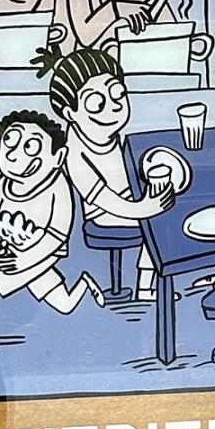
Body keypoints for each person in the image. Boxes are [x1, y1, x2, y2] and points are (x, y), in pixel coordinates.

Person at [0, 111, 103, 349]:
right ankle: (85, 283)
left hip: (39, 254)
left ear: (58, 157)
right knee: (64, 304)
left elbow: (56, 236)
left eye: (31, 147)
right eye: (10, 142)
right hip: (9, 249)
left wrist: (23, 259)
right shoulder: (4, 184)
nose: (15, 155)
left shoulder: (58, 187)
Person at [40, 43, 176, 299]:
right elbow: (102, 198)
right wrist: (144, 208)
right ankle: (145, 287)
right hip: (106, 213)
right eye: (96, 103)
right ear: (70, 113)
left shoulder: (108, 134)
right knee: (160, 221)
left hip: (130, 198)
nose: (113, 107)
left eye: (118, 95)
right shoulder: (75, 153)